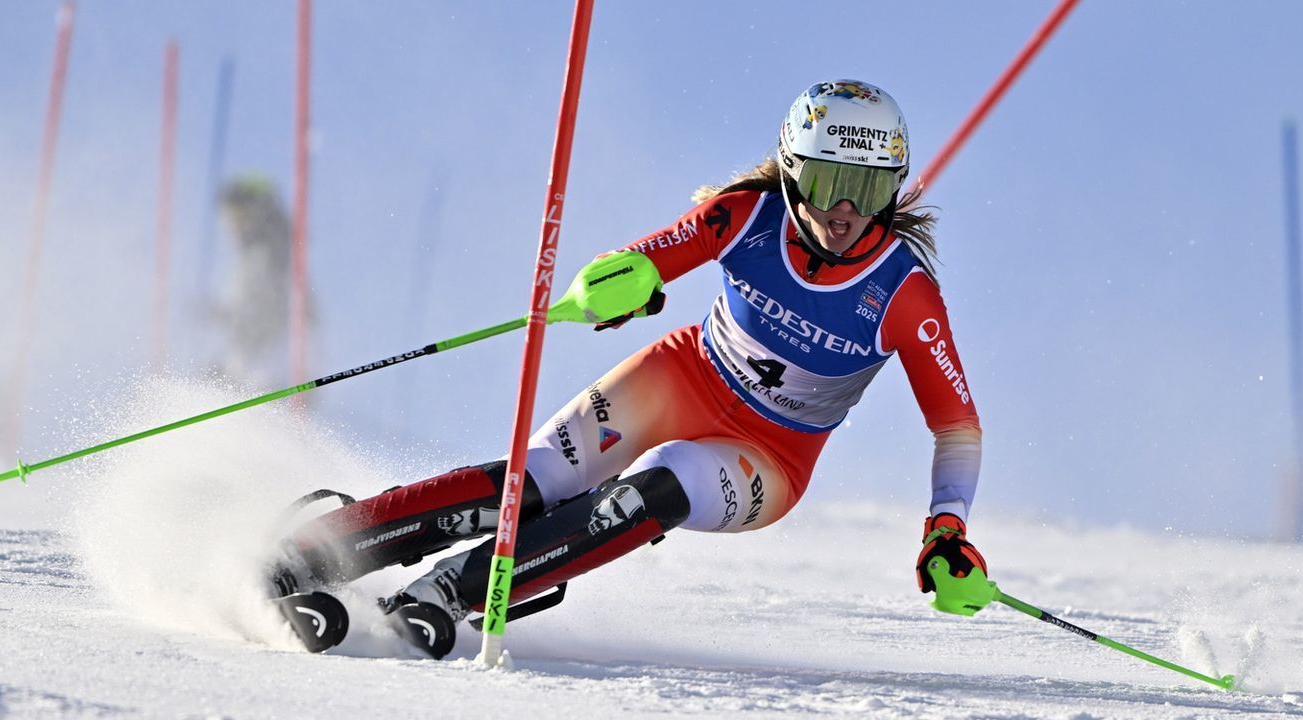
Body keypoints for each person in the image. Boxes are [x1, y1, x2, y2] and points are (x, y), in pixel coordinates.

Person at [272, 79, 988, 659]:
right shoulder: (744, 216)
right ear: (795, 173)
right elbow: (650, 257)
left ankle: (446, 594)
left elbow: (956, 426)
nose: (844, 212)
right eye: (831, 181)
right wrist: (621, 282)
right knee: (535, 479)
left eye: (867, 189)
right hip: (683, 378)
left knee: (656, 487)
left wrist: (946, 530)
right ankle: (316, 550)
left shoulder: (902, 293)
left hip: (770, 454)